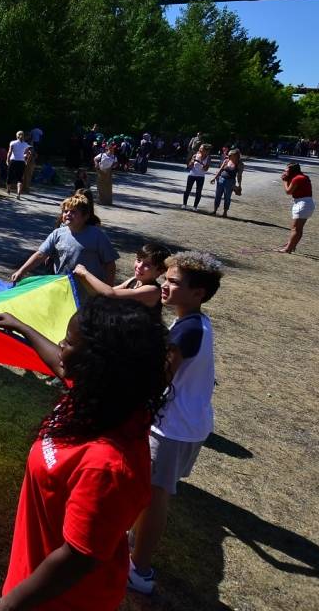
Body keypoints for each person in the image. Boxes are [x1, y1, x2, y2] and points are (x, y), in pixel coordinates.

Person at [0, 298, 169, 611]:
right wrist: (21, 327)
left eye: (68, 342)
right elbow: (59, 363)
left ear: (97, 363)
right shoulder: (99, 398)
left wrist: (7, 606)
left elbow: (78, 557)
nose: (61, 348)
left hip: (60, 602)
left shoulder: (108, 466)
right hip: (31, 582)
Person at [128, 251, 224, 595]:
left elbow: (159, 378)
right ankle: (135, 540)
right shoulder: (196, 322)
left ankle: (139, 569)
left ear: (198, 293)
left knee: (155, 498)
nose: (164, 286)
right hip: (189, 425)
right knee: (152, 493)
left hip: (172, 429)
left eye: (173, 282)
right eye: (165, 279)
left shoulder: (186, 331)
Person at [11, 192, 118, 284]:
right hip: (62, 285)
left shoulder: (97, 235)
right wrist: (21, 271)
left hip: (89, 288)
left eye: (73, 212)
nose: (68, 214)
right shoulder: (58, 233)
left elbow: (110, 264)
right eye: (66, 211)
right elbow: (40, 254)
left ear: (85, 216)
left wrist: (108, 288)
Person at [72, 243, 170, 317]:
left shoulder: (152, 290)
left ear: (160, 271)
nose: (139, 266)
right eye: (139, 260)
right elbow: (102, 294)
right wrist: (83, 279)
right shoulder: (134, 280)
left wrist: (85, 273)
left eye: (147, 265)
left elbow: (111, 294)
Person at [277, 162, 314, 253]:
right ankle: (292, 246)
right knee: (298, 228)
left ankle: (288, 248)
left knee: (295, 229)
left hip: (302, 204)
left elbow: (288, 191)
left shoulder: (297, 179)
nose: (285, 172)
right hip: (307, 203)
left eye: (286, 170)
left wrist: (285, 181)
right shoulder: (303, 177)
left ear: (292, 171)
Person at [210, 148, 244, 217]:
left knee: (227, 197)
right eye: (228, 155)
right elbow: (220, 170)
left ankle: (225, 212)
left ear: (235, 156)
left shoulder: (240, 164)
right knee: (217, 196)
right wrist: (214, 178)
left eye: (230, 155)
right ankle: (215, 210)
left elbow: (239, 175)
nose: (228, 156)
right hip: (221, 180)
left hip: (230, 182)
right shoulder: (226, 161)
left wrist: (239, 185)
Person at [181, 144, 212, 209]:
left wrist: (201, 163)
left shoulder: (208, 158)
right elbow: (189, 166)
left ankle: (195, 206)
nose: (199, 149)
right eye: (200, 148)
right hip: (192, 175)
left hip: (201, 176)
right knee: (187, 190)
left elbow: (206, 169)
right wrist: (191, 162)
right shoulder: (195, 155)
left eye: (201, 148)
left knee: (198, 192)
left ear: (205, 151)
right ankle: (184, 204)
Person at [7, 131, 33, 199]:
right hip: (21, 162)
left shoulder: (12, 143)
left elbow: (9, 152)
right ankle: (18, 194)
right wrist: (26, 161)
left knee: (10, 176)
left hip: (13, 161)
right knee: (20, 179)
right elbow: (29, 154)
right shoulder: (26, 144)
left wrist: (7, 160)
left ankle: (8, 190)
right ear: (23, 136)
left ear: (16, 136)